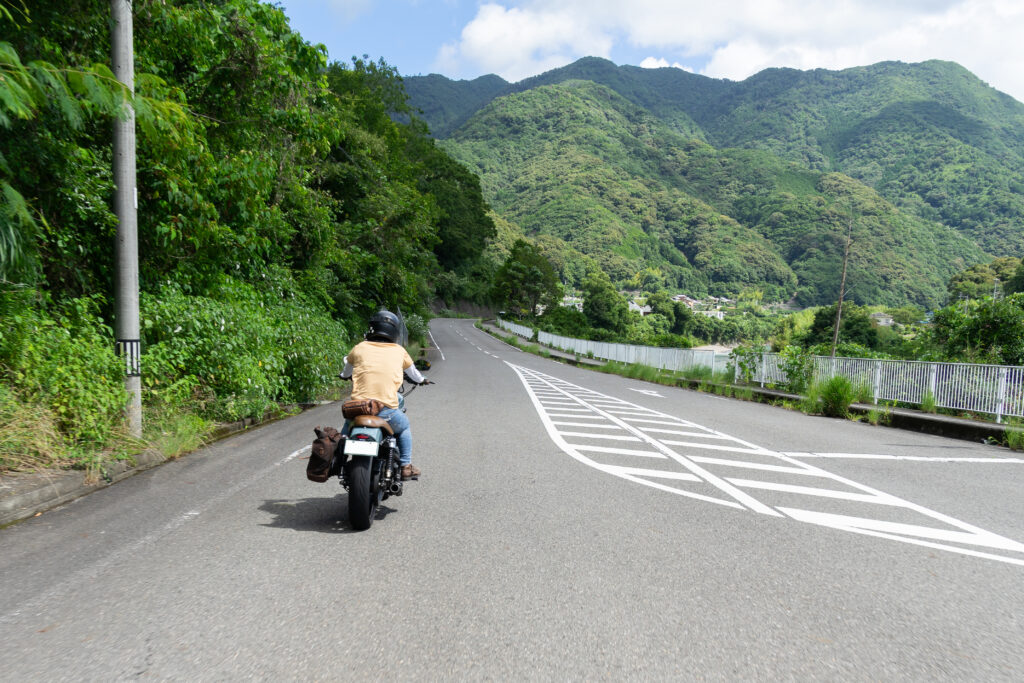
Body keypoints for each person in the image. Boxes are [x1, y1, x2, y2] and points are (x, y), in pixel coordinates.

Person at [340, 310, 428, 480]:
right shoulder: (399, 351)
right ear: (394, 331)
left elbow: (346, 372)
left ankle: (337, 458)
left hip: (359, 409)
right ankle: (405, 466)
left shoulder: (359, 347)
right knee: (403, 427)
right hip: (385, 411)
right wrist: (422, 380)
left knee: (347, 425)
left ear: (372, 328)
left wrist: (343, 376)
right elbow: (415, 374)